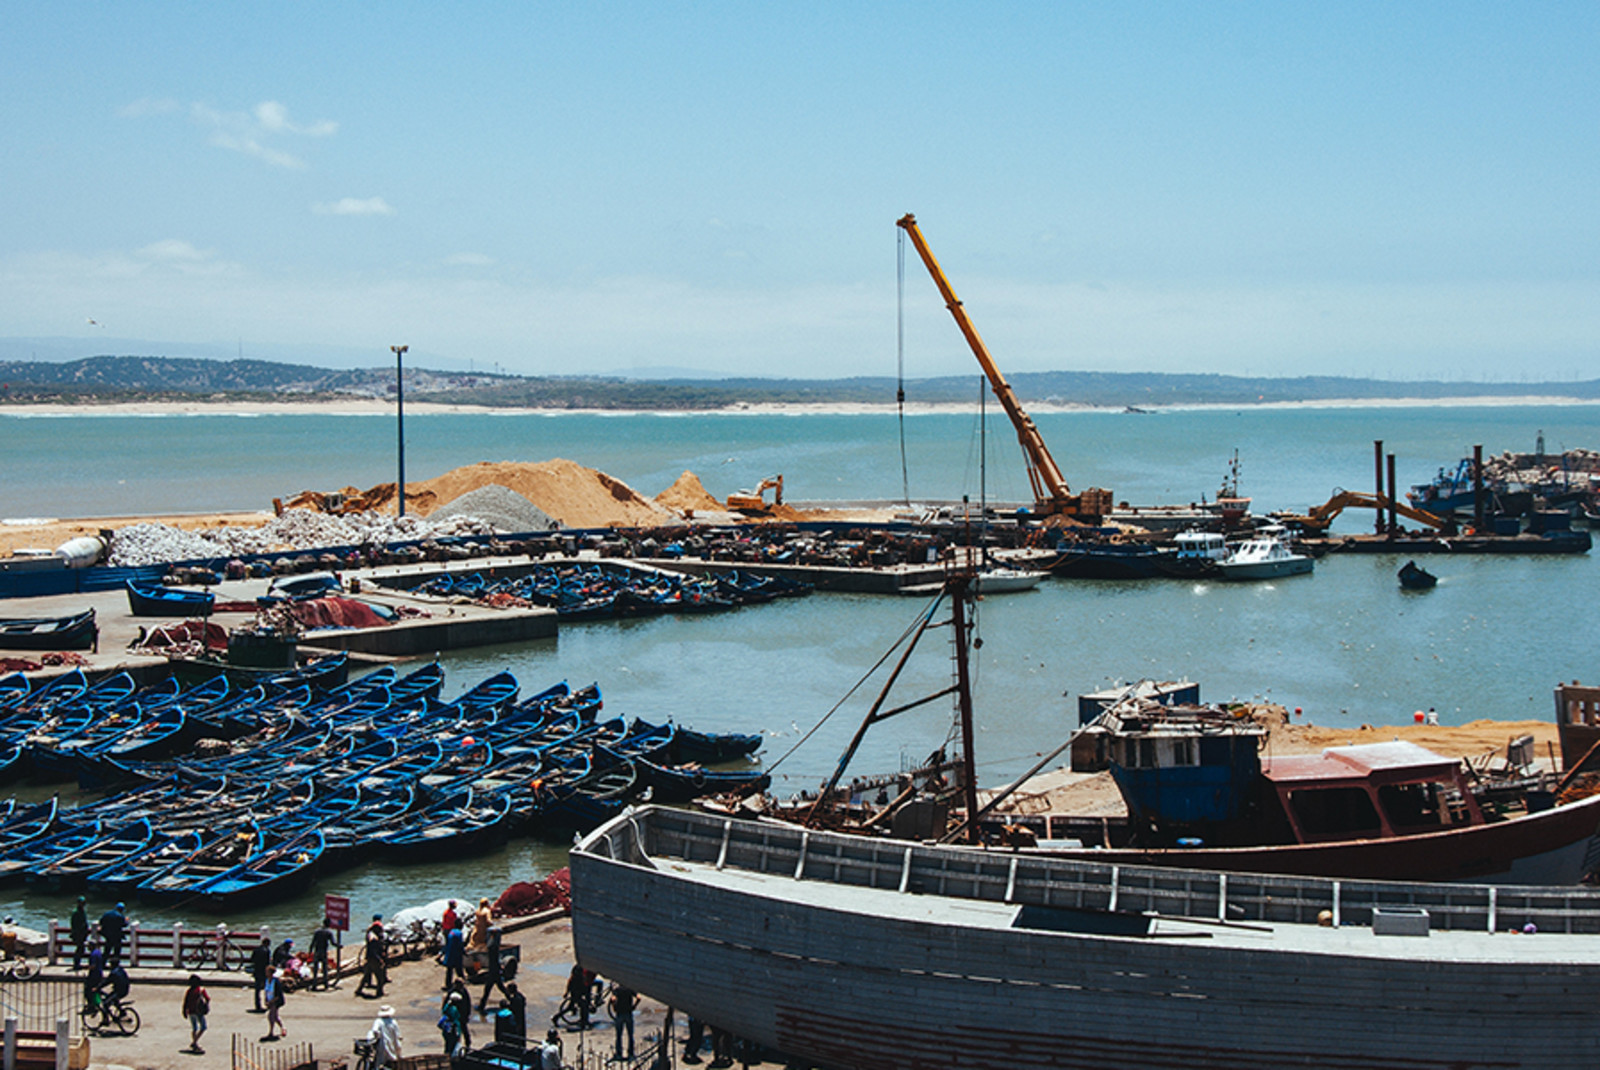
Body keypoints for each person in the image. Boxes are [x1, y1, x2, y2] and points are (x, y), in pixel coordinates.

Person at [476, 925, 508, 1016]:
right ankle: (510, 999)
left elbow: (489, 944)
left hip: (493, 971)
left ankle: (482, 1006)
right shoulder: (495, 945)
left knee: (488, 989)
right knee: (499, 988)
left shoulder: (492, 946)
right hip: (495, 971)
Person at [357, 915, 387, 998]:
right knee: (380, 977)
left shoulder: (371, 936)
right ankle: (379, 992)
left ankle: (359, 990)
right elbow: (374, 951)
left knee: (366, 975)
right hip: (374, 959)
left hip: (370, 959)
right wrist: (379, 959)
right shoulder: (374, 939)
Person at [182, 974, 210, 1054]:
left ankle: (195, 1043)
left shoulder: (189, 991)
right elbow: (207, 999)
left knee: (194, 1028)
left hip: (191, 1011)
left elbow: (185, 1002)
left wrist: (184, 1011)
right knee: (203, 1027)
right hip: (199, 1012)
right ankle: (194, 1042)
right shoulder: (201, 990)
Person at [610, 983, 637, 1062]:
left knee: (619, 1035)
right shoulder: (630, 988)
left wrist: (614, 1007)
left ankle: (619, 1054)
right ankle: (631, 1054)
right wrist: (634, 1006)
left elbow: (613, 999)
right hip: (628, 1013)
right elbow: (639, 998)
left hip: (619, 1014)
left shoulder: (617, 990)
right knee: (630, 1035)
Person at [444, 980, 473, 1053]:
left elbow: (468, 1004)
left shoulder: (464, 991)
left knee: (464, 1031)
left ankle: (467, 1044)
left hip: (462, 1016)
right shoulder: (452, 993)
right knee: (454, 1035)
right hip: (455, 1019)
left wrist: (467, 1015)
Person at [563, 963, 591, 1029]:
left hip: (577, 990)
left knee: (572, 1006)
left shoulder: (579, 968)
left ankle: (584, 1020)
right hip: (576, 991)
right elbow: (572, 980)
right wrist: (567, 992)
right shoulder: (579, 969)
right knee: (583, 1006)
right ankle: (584, 1021)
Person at [309, 917, 334, 989]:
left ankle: (314, 985)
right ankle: (325, 984)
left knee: (315, 969)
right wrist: (339, 946)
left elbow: (313, 943)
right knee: (325, 969)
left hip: (317, 951)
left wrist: (310, 952)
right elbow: (333, 943)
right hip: (323, 952)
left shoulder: (317, 931)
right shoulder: (329, 932)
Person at [262, 968, 287, 1040]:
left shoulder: (275, 981)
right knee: (275, 1017)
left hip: (276, 1001)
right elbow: (266, 991)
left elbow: (278, 995)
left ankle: (271, 1032)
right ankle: (282, 1028)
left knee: (271, 1016)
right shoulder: (267, 980)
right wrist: (266, 1000)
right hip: (270, 1000)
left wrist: (271, 1002)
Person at [249, 936, 272, 1012]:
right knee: (267, 988)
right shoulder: (267, 951)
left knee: (257, 990)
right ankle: (268, 1003)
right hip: (264, 972)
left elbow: (252, 959)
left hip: (257, 971)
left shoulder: (256, 949)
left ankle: (257, 1005)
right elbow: (267, 962)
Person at [442, 921, 465, 989]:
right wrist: (463, 951)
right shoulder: (459, 933)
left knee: (449, 970)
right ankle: (461, 983)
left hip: (449, 952)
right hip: (456, 953)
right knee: (459, 969)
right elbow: (460, 944)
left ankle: (448, 984)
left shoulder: (451, 931)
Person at [504, 982, 527, 1048]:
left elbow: (514, 1009)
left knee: (518, 1035)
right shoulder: (519, 996)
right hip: (521, 1019)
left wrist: (508, 1006)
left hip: (518, 1020)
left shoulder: (516, 999)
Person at [69, 896, 89, 971]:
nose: (83, 904)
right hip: (78, 934)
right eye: (82, 903)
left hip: (82, 933)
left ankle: (77, 963)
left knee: (81, 949)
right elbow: (74, 924)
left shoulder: (82, 911)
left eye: (84, 903)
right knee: (80, 948)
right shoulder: (76, 912)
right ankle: (76, 964)